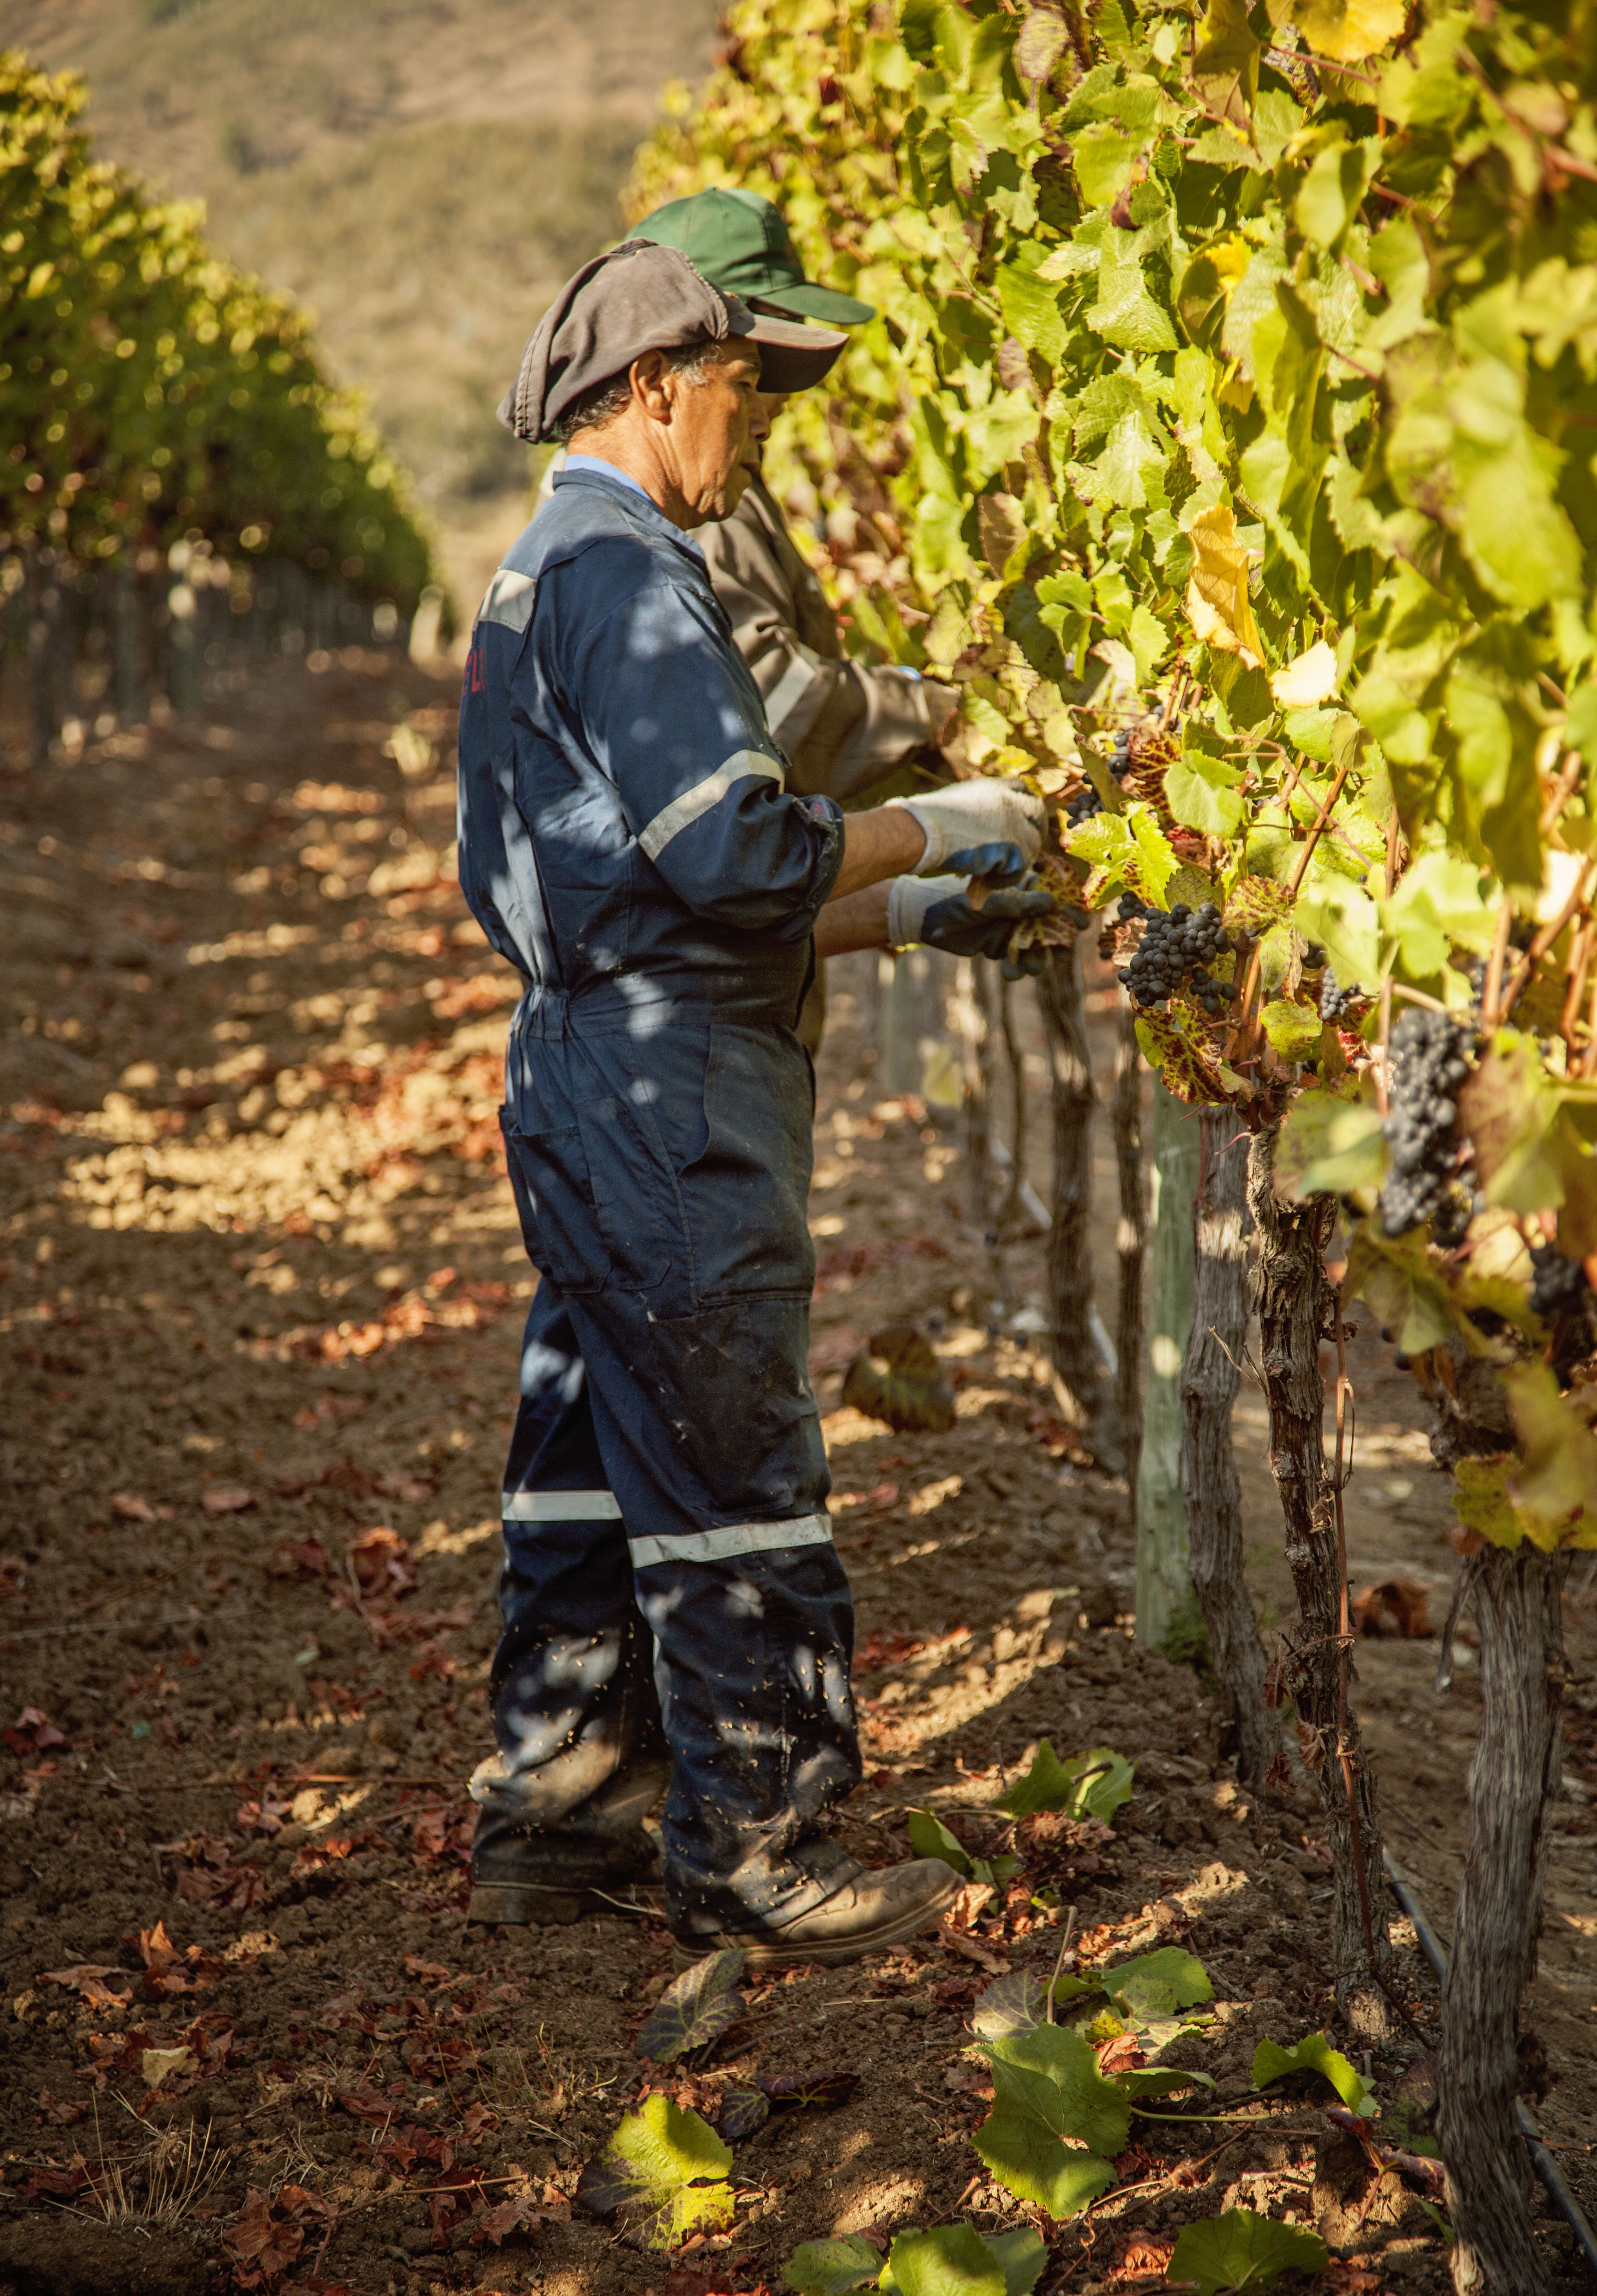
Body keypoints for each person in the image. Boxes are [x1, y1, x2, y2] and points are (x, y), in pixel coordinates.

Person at [456, 238, 1053, 1964]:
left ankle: (556, 1805)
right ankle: (756, 1851)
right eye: (744, 388)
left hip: (590, 1062)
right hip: (670, 1099)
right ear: (652, 385)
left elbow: (649, 894)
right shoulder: (632, 570)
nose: (764, 428)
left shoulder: (539, 567)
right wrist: (948, 820)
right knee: (734, 1466)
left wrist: (903, 914)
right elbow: (728, 849)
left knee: (589, 1445)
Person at [551, 189, 962, 1050]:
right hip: (681, 1067)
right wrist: (938, 785)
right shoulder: (669, 538)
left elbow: (699, 895)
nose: (774, 391)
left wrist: (906, 912)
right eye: (751, 368)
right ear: (665, 369)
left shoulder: (648, 520)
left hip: (700, 1045)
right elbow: (737, 831)